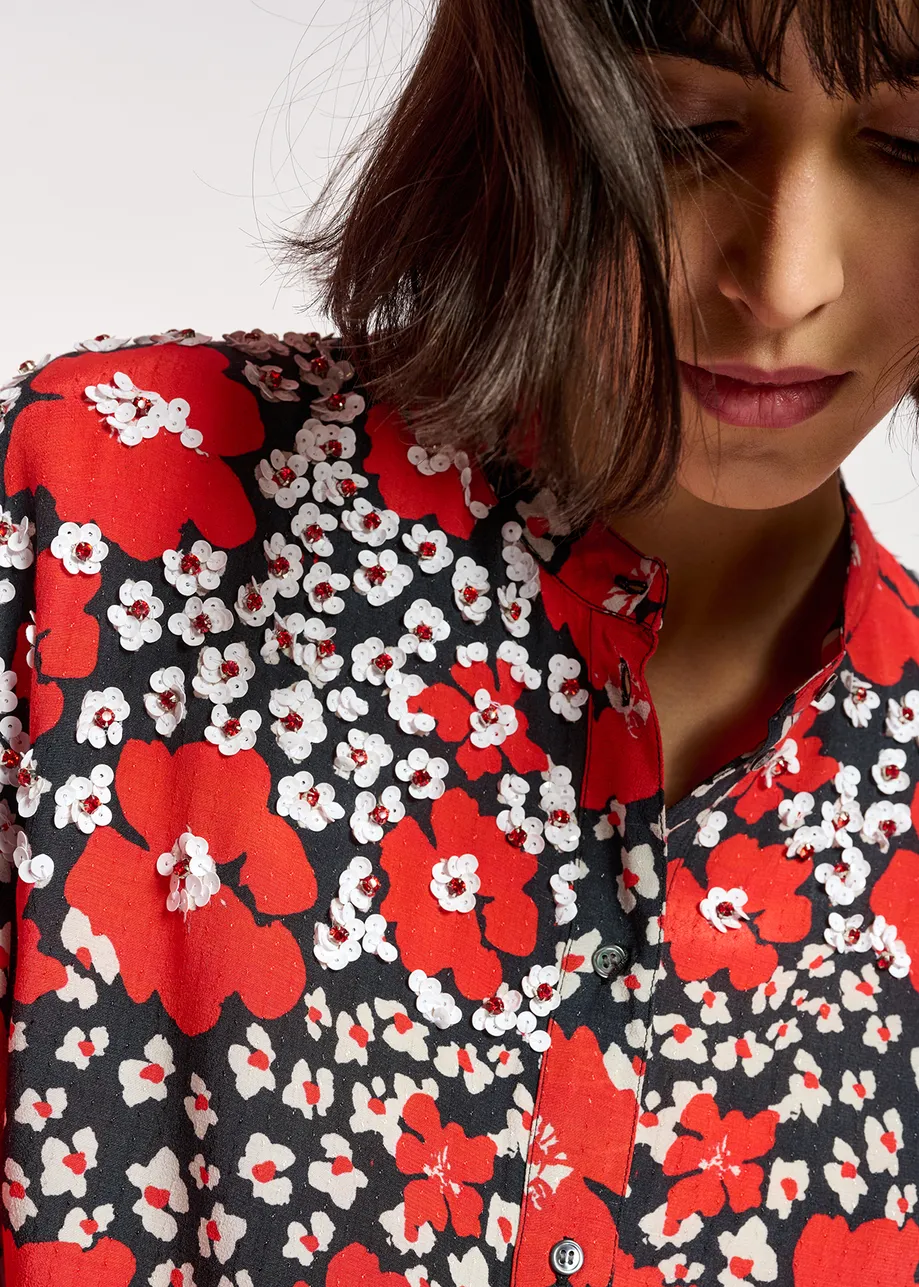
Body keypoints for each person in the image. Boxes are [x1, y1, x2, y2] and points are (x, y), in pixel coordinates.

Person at [1, 0, 919, 1283]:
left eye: (906, 150)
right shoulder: (105, 511)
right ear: (528, 111)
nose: (785, 280)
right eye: (687, 129)